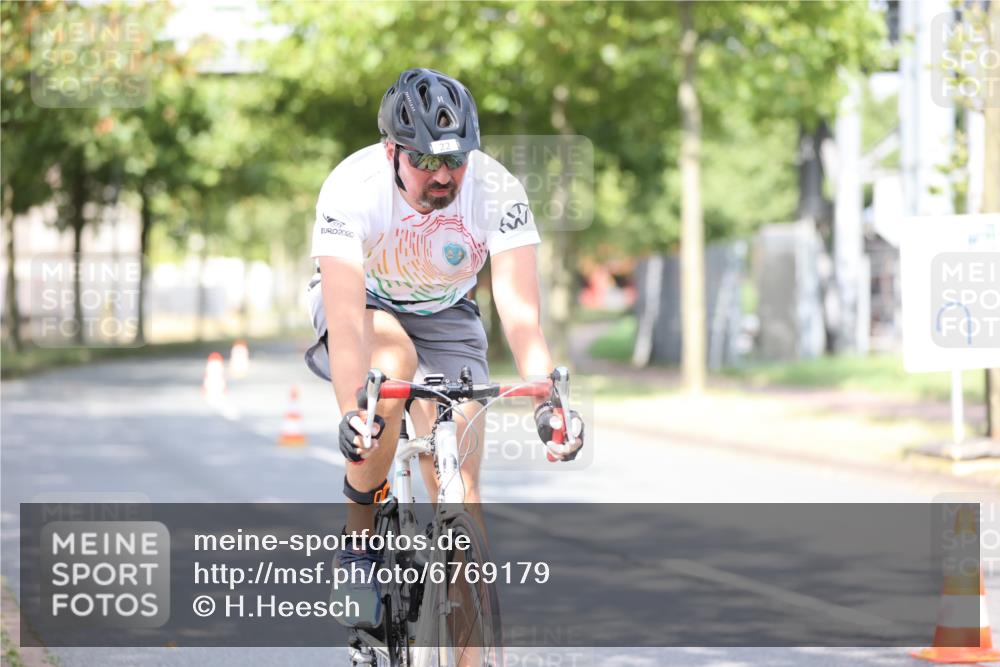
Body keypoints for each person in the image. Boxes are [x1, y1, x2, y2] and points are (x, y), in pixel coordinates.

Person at [305, 68, 584, 629]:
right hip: (366, 303)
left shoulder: (497, 189)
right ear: (392, 153)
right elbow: (343, 315)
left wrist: (547, 403)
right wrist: (351, 413)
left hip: (448, 311)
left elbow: (521, 314)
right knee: (391, 369)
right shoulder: (350, 188)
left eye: (454, 160)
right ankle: (358, 546)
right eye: (425, 161)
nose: (442, 176)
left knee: (460, 484)